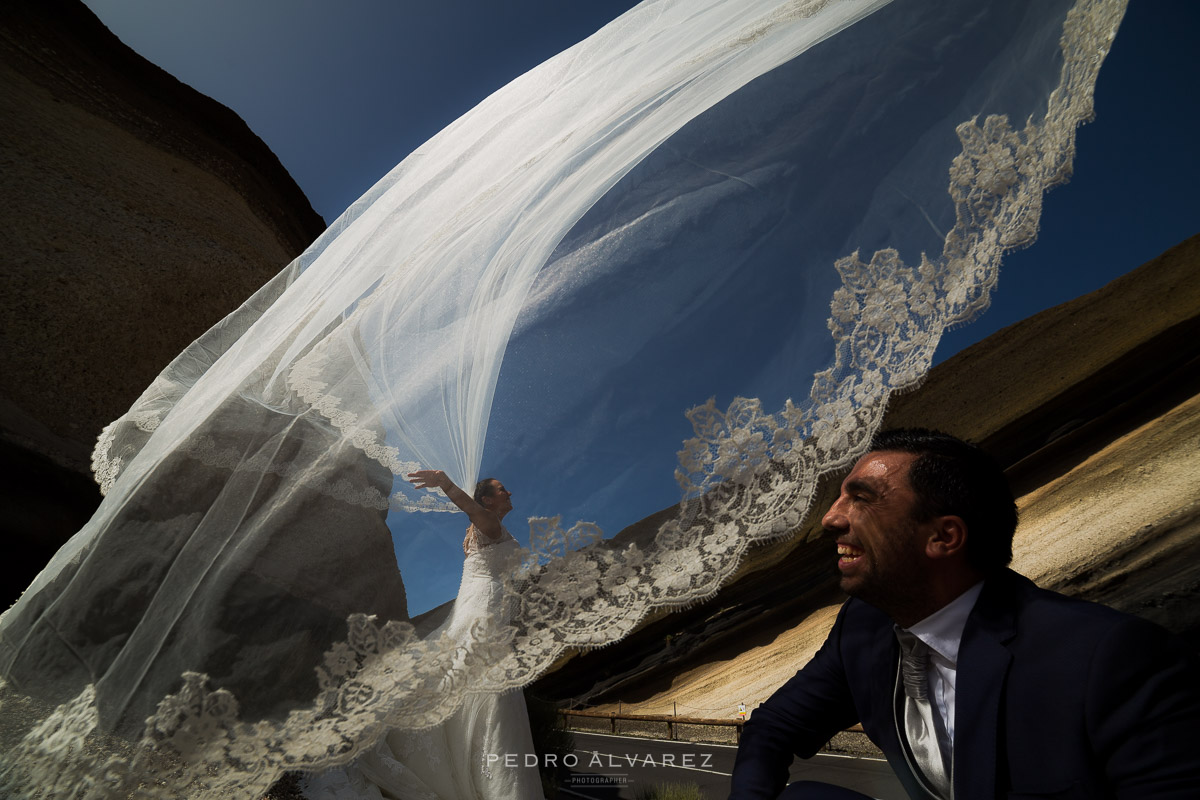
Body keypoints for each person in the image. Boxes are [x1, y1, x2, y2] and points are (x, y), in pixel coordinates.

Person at [729, 428, 1200, 800]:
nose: (832, 518)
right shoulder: (864, 627)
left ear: (944, 538)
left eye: (863, 498)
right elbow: (772, 728)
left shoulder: (1112, 658)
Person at [301, 471, 541, 800]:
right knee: (492, 693)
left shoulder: (477, 532)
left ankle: (472, 773)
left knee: (477, 691)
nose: (509, 491)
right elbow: (471, 510)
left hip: (482, 614)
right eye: (502, 489)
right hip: (484, 619)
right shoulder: (488, 524)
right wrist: (444, 483)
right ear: (486, 499)